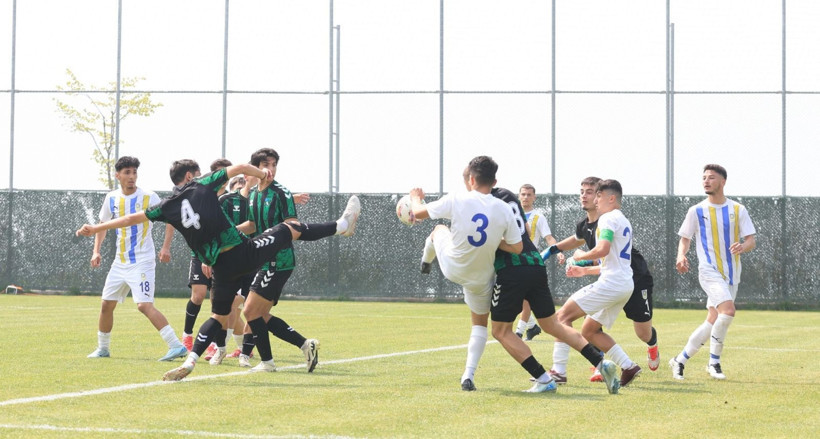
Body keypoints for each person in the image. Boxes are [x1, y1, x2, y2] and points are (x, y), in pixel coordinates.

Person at [76, 159, 361, 381]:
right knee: (290, 228)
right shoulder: (203, 185)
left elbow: (131, 218)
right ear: (190, 177)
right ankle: (341, 227)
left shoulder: (166, 206)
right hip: (243, 254)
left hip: (220, 268)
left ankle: (192, 361)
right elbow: (237, 168)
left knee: (218, 316)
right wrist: (263, 175)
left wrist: (97, 228)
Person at [489, 183, 617, 394]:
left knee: (500, 330)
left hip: (512, 268)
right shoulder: (509, 196)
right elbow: (527, 230)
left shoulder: (485, 202)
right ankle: (600, 362)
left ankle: (543, 378)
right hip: (535, 263)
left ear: (474, 182)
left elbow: (491, 238)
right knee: (552, 325)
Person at [410, 155, 524, 391]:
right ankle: (467, 375)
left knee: (439, 228)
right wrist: (493, 241)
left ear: (471, 179)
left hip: (452, 266)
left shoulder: (457, 198)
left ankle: (426, 260)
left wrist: (415, 198)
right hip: (480, 278)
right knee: (479, 326)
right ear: (494, 182)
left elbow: (417, 213)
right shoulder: (503, 208)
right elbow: (517, 247)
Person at [544, 176, 660, 383]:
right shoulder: (622, 219)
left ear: (611, 198)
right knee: (589, 330)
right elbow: (612, 258)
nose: (595, 200)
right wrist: (585, 270)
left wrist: (580, 257)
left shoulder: (607, 219)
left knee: (561, 318)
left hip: (613, 283)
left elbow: (603, 249)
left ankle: (559, 371)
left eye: (598, 195)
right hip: (623, 284)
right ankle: (628, 367)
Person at [234, 148, 334, 372]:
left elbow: (292, 226)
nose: (270, 170)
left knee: (250, 312)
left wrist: (267, 239)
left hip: (279, 260)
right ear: (255, 168)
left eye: (274, 165)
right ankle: (305, 345)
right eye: (265, 165)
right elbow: (251, 225)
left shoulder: (282, 193)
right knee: (261, 315)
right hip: (265, 261)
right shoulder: (254, 194)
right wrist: (229, 232)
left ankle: (267, 362)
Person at [85, 156, 187, 362]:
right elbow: (102, 224)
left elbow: (170, 219)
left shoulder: (149, 196)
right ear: (118, 175)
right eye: (127, 173)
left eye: (134, 172)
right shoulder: (111, 198)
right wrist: (96, 251)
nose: (132, 177)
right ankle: (103, 348)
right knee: (106, 304)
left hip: (142, 260)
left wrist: (165, 246)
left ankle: (176, 346)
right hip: (119, 262)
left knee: (144, 305)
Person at [669, 164, 756, 380]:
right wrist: (681, 255)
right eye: (704, 177)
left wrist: (742, 247)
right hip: (708, 270)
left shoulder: (738, 209)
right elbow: (685, 239)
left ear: (723, 182)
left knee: (713, 319)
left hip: (732, 273)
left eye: (711, 177)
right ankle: (713, 363)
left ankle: (679, 360)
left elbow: (751, 241)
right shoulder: (696, 210)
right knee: (728, 311)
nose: (706, 181)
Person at [180, 158, 233, 354]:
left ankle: (214, 345)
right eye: (220, 173)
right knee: (198, 294)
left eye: (226, 173)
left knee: (216, 300)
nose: (223, 178)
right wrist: (204, 258)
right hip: (201, 253)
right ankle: (186, 336)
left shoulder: (230, 199)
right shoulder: (201, 195)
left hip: (222, 256)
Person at [514, 184, 558, 341]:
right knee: (517, 298)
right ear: (518, 196)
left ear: (534, 197)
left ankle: (519, 332)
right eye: (523, 194)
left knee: (525, 298)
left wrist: (557, 250)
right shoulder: (512, 214)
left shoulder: (538, 217)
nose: (525, 197)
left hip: (530, 262)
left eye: (529, 194)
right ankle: (532, 326)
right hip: (512, 261)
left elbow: (548, 237)